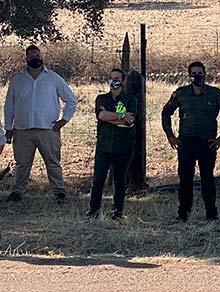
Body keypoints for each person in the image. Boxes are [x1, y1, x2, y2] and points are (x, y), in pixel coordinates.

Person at [161, 61, 220, 223]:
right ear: (189, 76)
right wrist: (170, 135)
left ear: (205, 74)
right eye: (194, 73)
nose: (197, 76)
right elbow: (166, 112)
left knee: (207, 179)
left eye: (200, 73)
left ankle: (211, 215)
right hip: (185, 143)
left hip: (207, 143)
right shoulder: (180, 94)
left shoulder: (215, 94)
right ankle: (183, 215)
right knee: (185, 180)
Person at [3, 45, 77, 203]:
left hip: (48, 129)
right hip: (22, 130)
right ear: (26, 58)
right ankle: (17, 192)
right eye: (31, 56)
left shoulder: (53, 78)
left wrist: (63, 121)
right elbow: (9, 105)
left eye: (37, 55)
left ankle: (59, 193)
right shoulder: (17, 79)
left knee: (53, 162)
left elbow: (71, 100)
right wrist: (8, 128)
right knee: (22, 164)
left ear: (41, 56)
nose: (34, 58)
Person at [86, 68, 137, 220]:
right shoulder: (102, 99)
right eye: (111, 78)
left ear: (123, 81)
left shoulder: (130, 100)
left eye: (117, 78)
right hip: (105, 145)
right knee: (98, 179)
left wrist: (111, 117)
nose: (113, 81)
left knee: (119, 180)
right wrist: (121, 116)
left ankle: (117, 212)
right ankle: (93, 210)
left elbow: (131, 120)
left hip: (124, 146)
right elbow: (101, 115)